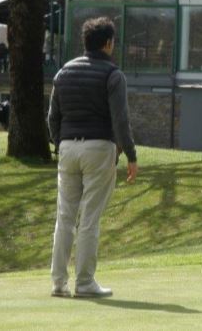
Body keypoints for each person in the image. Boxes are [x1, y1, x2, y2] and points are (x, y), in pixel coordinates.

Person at [47, 17, 138, 298]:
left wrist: (59, 143)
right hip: (99, 147)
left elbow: (53, 118)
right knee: (89, 218)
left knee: (65, 216)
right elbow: (120, 120)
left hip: (68, 148)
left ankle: (59, 283)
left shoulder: (63, 73)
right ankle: (84, 282)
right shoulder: (113, 75)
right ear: (108, 43)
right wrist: (130, 154)